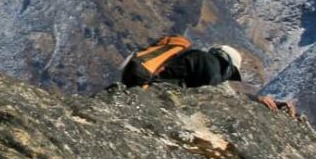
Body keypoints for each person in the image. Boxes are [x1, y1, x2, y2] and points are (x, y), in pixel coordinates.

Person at [123, 41, 297, 116]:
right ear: (228, 66)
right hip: (160, 98)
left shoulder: (197, 58)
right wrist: (257, 100)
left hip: (150, 93)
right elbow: (224, 95)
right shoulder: (212, 69)